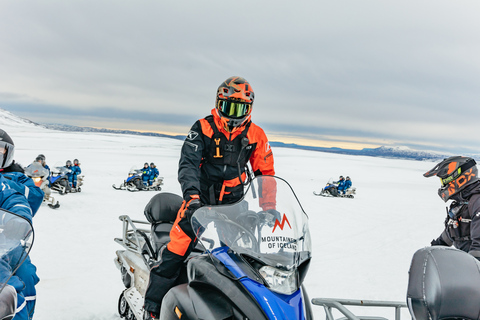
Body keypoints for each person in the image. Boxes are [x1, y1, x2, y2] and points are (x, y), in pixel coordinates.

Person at [143, 76, 275, 319]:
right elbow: (188, 165)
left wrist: (269, 208)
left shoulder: (256, 135)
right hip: (199, 202)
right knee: (176, 250)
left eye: (240, 108)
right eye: (228, 106)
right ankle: (153, 307)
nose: (233, 114)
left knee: (243, 259)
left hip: (234, 205)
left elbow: (265, 172)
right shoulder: (203, 128)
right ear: (218, 103)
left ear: (249, 110)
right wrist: (192, 198)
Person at [0, 129, 41, 319]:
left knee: (26, 276)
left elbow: (22, 199)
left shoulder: (14, 178)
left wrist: (20, 217)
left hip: (8, 239)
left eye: (0, 152)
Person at [425, 156, 480, 260]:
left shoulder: (477, 202)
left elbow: (478, 247)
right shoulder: (462, 203)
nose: (443, 186)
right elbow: (451, 233)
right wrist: (435, 248)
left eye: (444, 181)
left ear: (458, 178)